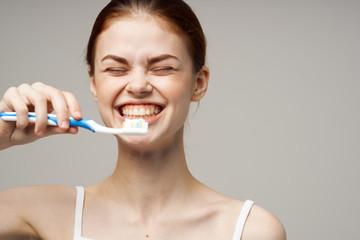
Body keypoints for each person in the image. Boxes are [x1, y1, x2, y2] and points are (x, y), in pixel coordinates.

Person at [0, 0, 286, 239]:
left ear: (198, 83)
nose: (138, 86)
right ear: (94, 84)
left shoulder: (251, 230)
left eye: (162, 68)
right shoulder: (35, 213)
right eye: (115, 69)